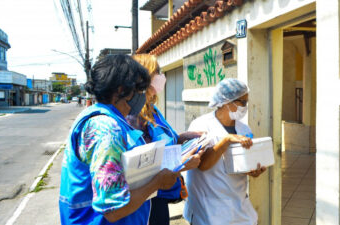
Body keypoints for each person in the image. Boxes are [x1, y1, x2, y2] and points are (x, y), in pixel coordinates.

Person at [59, 54, 179, 225]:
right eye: (139, 90)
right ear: (122, 90)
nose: (142, 96)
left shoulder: (105, 118)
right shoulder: (107, 130)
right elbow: (113, 210)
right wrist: (157, 183)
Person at [128, 54, 203, 225]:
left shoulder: (152, 110)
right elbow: (139, 164)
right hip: (143, 202)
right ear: (143, 77)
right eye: (158, 71)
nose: (162, 76)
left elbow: (162, 140)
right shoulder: (130, 115)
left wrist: (182, 138)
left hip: (160, 197)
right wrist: (181, 164)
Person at [183, 78, 267, 225]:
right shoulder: (201, 125)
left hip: (238, 203)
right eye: (243, 102)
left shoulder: (244, 129)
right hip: (209, 206)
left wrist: (252, 170)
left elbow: (241, 163)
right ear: (228, 102)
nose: (245, 107)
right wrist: (226, 141)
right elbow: (202, 165)